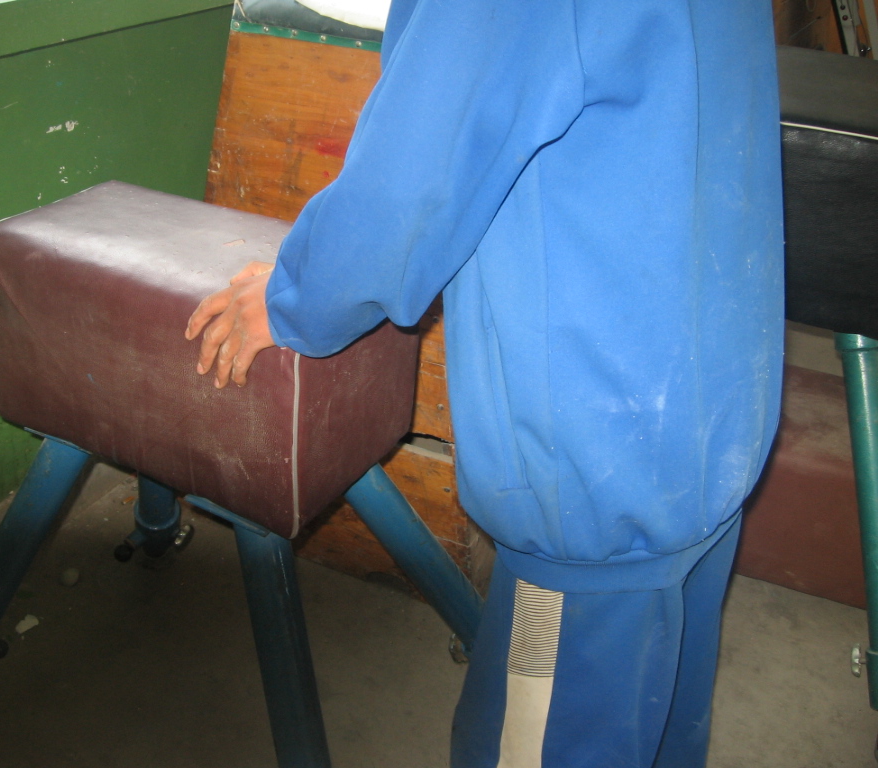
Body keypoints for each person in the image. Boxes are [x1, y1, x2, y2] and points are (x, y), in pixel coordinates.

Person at [185, 0, 784, 764]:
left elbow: (410, 182)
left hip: (595, 481)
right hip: (712, 423)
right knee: (659, 731)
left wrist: (294, 296)